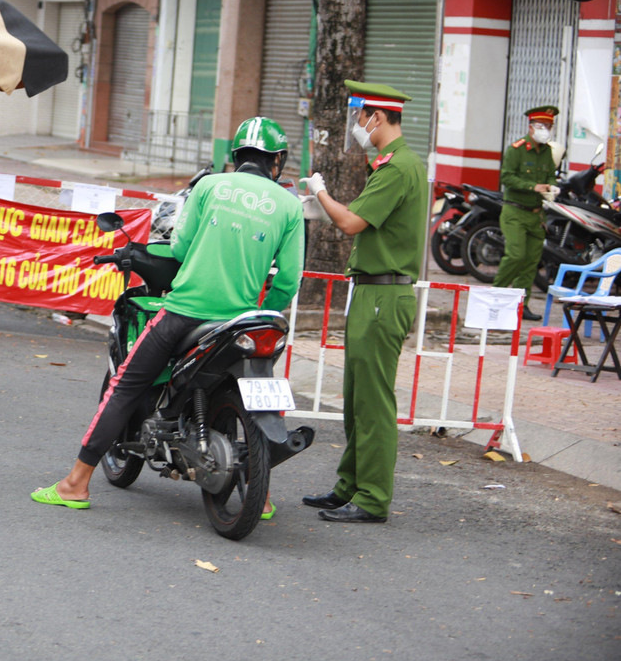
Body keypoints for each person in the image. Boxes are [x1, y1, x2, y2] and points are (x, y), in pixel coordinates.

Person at [31, 117, 305, 510]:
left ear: (237, 155)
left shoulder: (210, 186)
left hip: (185, 312)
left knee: (125, 387)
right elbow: (289, 281)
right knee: (255, 394)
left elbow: (179, 248)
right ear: (276, 161)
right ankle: (259, 499)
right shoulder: (289, 205)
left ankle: (75, 484)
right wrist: (261, 311)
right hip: (242, 323)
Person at [299, 81, 427, 524]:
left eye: (360, 117)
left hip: (383, 294)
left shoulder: (398, 166)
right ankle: (348, 487)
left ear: (378, 117)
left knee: (372, 404)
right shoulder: (392, 164)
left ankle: (372, 499)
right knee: (356, 400)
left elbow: (352, 222)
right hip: (371, 290)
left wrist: (319, 193)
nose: (358, 125)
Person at [496, 105, 559, 321]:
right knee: (516, 255)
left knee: (531, 262)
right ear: (531, 127)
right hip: (515, 210)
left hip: (536, 214)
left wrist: (552, 186)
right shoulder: (516, 149)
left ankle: (521, 305)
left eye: (549, 126)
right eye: (542, 126)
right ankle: (496, 296)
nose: (546, 130)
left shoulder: (547, 151)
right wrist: (532, 187)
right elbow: (506, 177)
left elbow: (551, 174)